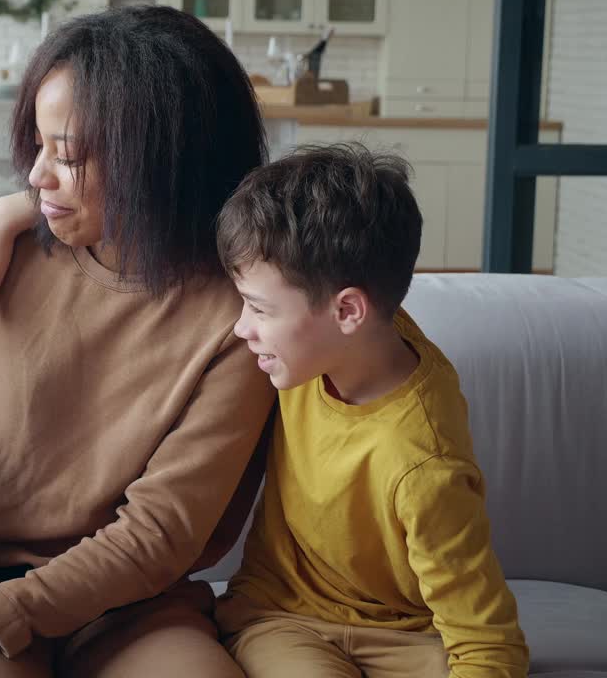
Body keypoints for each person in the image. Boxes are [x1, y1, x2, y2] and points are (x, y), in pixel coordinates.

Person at [0, 6, 276, 677]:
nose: (37, 176)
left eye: (65, 155)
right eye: (38, 146)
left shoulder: (237, 320)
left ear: (157, 162)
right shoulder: (6, 254)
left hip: (127, 604)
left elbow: (157, 538)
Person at [213, 144, 529, 677]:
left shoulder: (423, 463)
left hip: (406, 634)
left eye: (259, 309)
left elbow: (487, 644)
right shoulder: (328, 344)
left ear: (347, 311)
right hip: (284, 616)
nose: (241, 327)